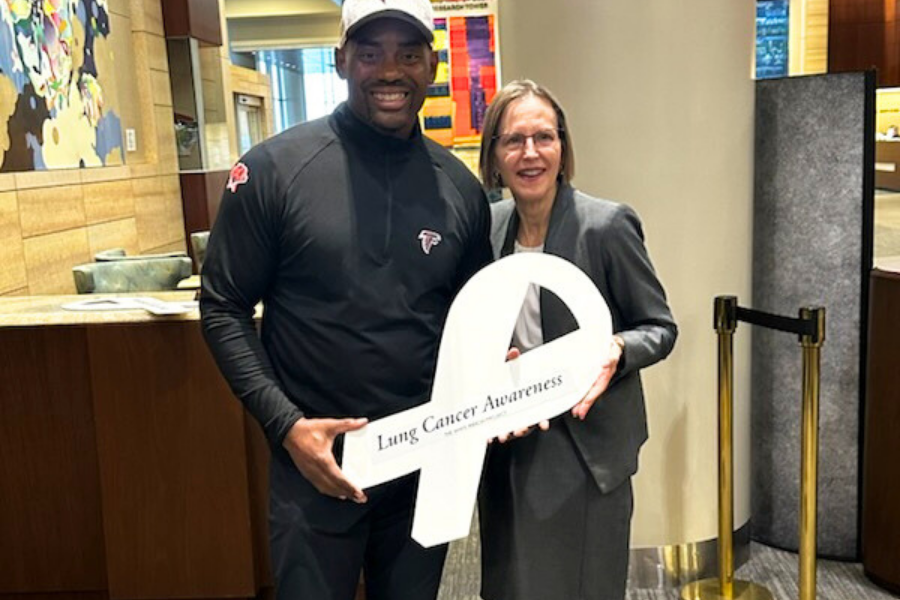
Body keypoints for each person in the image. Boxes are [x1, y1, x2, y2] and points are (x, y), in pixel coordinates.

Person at [198, 0, 493, 598]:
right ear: (340, 61)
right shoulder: (275, 170)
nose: (391, 70)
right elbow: (222, 306)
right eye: (370, 53)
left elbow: (474, 319)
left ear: (431, 66)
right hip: (315, 468)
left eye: (408, 54)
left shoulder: (460, 188)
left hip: (420, 467)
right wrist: (287, 427)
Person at [477, 80, 678, 600]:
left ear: (562, 147)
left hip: (585, 449)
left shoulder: (605, 226)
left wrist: (617, 349)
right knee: (511, 584)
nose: (530, 153)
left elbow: (659, 327)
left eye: (543, 137)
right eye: (513, 140)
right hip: (511, 445)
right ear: (493, 154)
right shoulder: (488, 227)